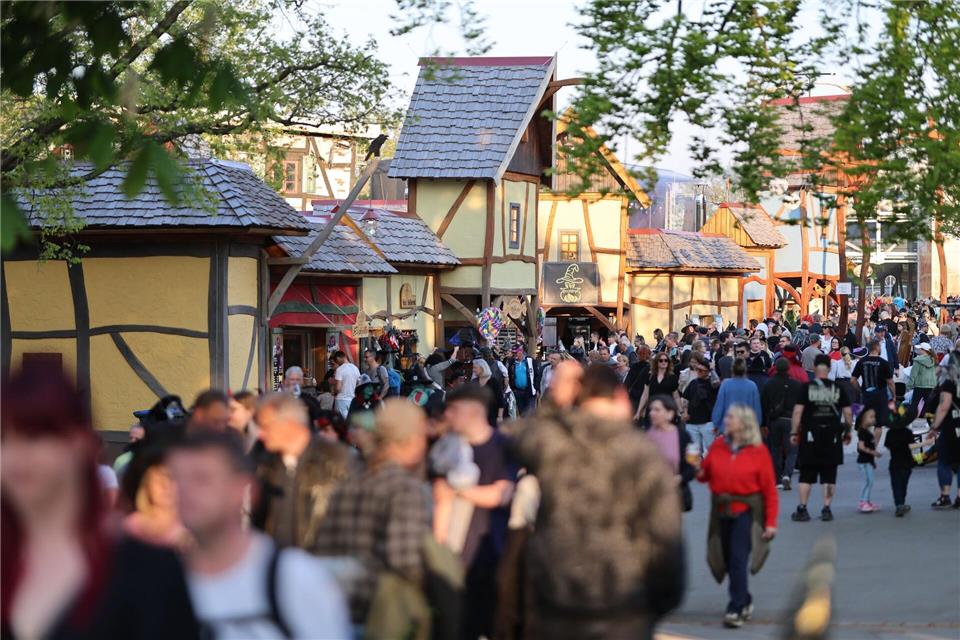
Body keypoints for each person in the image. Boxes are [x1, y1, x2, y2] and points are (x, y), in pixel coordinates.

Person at [1, 369, 200, 639]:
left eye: (34, 436)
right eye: (3, 439)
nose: (15, 456)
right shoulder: (9, 560)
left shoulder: (147, 569)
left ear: (79, 443)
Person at [509, 365, 684, 639]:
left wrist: (556, 400)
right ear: (622, 398)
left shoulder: (554, 445)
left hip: (560, 600)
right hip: (625, 605)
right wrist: (654, 606)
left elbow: (520, 435)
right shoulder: (642, 453)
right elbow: (665, 539)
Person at [168, 431, 351, 639]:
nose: (185, 491)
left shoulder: (295, 578)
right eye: (175, 478)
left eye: (202, 479)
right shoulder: (158, 578)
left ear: (243, 489)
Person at [316, 399, 431, 627]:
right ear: (410, 440)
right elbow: (405, 562)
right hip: (382, 613)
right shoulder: (403, 487)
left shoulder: (349, 475)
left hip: (337, 607)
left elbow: (322, 543)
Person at [439, 384, 516, 640]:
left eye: (453, 410)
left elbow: (501, 494)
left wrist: (457, 490)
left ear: (473, 411)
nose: (447, 416)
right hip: (450, 557)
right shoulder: (446, 446)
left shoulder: (503, 446)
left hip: (489, 554)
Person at [698, 405, 778, 629]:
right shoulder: (718, 446)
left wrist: (770, 522)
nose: (726, 419)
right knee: (723, 557)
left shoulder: (758, 451)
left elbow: (770, 490)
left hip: (747, 512)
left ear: (743, 422)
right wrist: (698, 468)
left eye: (731, 416)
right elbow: (705, 475)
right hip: (721, 510)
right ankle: (745, 599)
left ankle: (736, 607)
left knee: (737, 559)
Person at [251, 393, 353, 550]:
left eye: (265, 426)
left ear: (289, 424)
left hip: (321, 564)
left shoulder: (335, 461)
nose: (260, 434)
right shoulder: (264, 464)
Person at [790, 355, 853, 523]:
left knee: (806, 474)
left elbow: (797, 412)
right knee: (829, 474)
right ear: (830, 368)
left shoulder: (806, 388)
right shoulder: (838, 388)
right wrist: (848, 432)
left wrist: (794, 433)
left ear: (815, 367)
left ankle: (802, 508)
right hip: (832, 435)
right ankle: (826, 509)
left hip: (810, 435)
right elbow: (847, 413)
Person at [761, 357, 803, 490]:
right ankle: (787, 474)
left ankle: (777, 478)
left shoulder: (769, 384)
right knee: (792, 450)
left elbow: (764, 405)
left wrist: (763, 423)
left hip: (774, 420)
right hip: (791, 419)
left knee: (775, 449)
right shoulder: (796, 385)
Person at [929, 352, 960, 509]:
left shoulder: (948, 383)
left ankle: (945, 495)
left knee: (944, 461)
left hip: (951, 426)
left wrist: (935, 427)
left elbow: (944, 405)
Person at [852, 339, 895, 444]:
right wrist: (893, 395)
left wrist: (860, 389)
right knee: (878, 424)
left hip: (866, 395)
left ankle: (863, 443)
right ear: (877, 348)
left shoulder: (861, 362)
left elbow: (852, 380)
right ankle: (874, 446)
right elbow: (890, 382)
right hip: (880, 396)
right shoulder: (884, 363)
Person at [711, 358, 762, 434]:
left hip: (728, 427)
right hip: (746, 428)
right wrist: (757, 424)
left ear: (732, 369)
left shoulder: (725, 384)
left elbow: (719, 406)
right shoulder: (752, 386)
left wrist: (716, 424)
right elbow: (756, 409)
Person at [683, 354, 719, 458]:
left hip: (707, 421)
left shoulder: (712, 383)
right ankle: (693, 472)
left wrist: (712, 370)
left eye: (701, 370)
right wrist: (684, 412)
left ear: (707, 372)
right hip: (692, 422)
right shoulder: (693, 383)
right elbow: (686, 398)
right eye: (697, 369)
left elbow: (717, 383)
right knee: (692, 452)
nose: (698, 372)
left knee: (710, 450)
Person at [634, 352, 680, 423]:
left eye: (666, 360)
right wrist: (638, 412)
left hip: (666, 410)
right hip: (652, 409)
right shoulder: (650, 376)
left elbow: (676, 396)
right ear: (656, 362)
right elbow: (645, 394)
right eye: (661, 360)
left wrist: (679, 411)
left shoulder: (672, 377)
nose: (663, 362)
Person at [855, 408, 882, 513]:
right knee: (867, 481)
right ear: (863, 419)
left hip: (868, 461)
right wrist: (873, 453)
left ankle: (867, 501)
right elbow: (861, 447)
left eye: (874, 417)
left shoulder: (867, 432)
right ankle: (863, 502)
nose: (873, 419)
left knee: (870, 481)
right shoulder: (862, 432)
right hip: (863, 461)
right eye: (870, 417)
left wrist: (873, 461)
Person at [906, 343, 937, 416]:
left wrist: (909, 385)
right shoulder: (933, 359)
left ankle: (910, 419)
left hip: (919, 385)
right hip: (931, 385)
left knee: (914, 404)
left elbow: (913, 374)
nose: (917, 350)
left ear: (923, 350)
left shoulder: (918, 360)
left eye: (919, 349)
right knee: (928, 405)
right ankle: (927, 421)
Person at [472, 359, 505, 427]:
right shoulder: (474, 382)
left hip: (492, 416)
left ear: (482, 368)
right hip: (478, 417)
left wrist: (500, 416)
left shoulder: (494, 382)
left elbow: (500, 400)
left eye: (475, 367)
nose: (473, 370)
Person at [507, 344, 538, 416]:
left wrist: (536, 388)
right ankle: (524, 426)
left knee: (530, 413)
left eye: (516, 352)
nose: (514, 354)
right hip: (517, 391)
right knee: (522, 413)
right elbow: (509, 375)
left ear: (521, 351)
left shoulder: (530, 360)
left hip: (530, 390)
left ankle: (530, 426)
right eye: (513, 352)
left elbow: (536, 375)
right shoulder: (511, 362)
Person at [330, 352, 362, 419]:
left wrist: (333, 386)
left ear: (339, 358)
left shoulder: (340, 369)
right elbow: (359, 384)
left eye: (336, 360)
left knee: (341, 423)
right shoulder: (356, 369)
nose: (337, 362)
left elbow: (338, 388)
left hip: (341, 400)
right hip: (352, 400)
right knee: (351, 421)